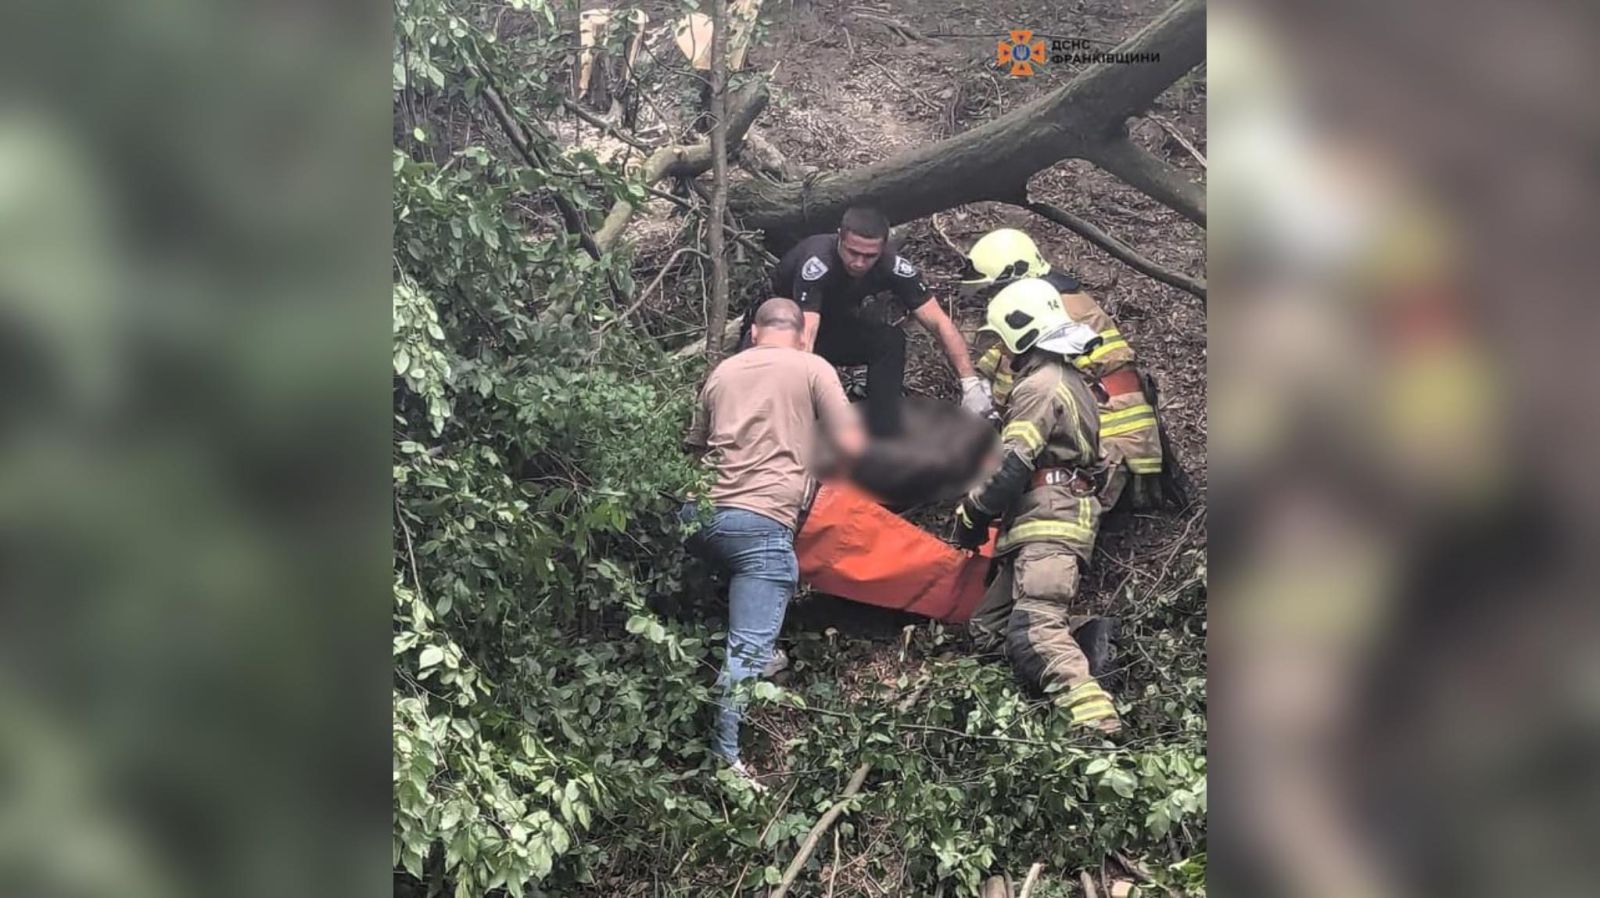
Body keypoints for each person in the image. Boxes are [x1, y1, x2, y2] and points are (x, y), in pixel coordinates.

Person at [682, 298, 866, 782]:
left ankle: (760, 653)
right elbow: (850, 442)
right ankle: (725, 759)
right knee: (746, 642)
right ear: (803, 333)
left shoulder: (723, 372)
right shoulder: (812, 366)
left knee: (749, 599)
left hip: (697, 516)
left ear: (756, 333)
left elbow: (695, 448)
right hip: (760, 525)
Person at [951, 278, 1122, 735]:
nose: (1002, 353)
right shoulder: (1069, 381)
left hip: (1049, 523)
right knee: (988, 632)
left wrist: (971, 516)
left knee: (1035, 632)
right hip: (1041, 523)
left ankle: (1097, 725)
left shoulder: (1041, 387)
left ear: (1017, 333)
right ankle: (1086, 638)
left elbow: (1011, 466)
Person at [961, 228, 1169, 511]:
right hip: (1117, 440)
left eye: (994, 290)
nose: (991, 299)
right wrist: (977, 380)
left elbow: (1018, 380)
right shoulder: (1051, 304)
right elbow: (1003, 353)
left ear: (1015, 277)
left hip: (1114, 449)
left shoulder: (1055, 315)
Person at [750, 206, 989, 436]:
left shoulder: (892, 265)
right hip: (778, 332)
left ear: (883, 248)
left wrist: (970, 385)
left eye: (869, 256)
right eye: (853, 252)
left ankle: (883, 429)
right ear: (840, 238)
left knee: (890, 340)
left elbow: (939, 322)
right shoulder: (819, 262)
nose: (859, 263)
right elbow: (806, 331)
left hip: (832, 329)